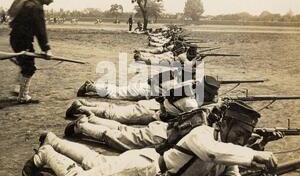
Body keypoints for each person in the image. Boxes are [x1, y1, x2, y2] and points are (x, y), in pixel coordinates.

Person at [21, 101, 278, 176]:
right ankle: (45, 153)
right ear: (223, 124)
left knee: (96, 161)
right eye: (239, 132)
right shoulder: (204, 135)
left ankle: (54, 141)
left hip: (148, 170)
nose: (242, 140)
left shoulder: (230, 155)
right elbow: (212, 153)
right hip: (143, 171)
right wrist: (253, 156)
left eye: (246, 136)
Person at [66, 75, 220, 124]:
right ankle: (81, 108)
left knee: (117, 108)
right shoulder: (191, 103)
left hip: (153, 103)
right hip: (153, 110)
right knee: (115, 115)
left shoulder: (189, 84)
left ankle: (86, 104)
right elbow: (196, 118)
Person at [9, 0, 59, 103]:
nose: (52, 0)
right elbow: (40, 30)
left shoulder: (29, 3)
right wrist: (46, 48)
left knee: (25, 65)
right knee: (29, 68)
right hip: (23, 41)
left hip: (16, 39)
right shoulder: (37, 7)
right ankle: (23, 96)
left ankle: (18, 89)